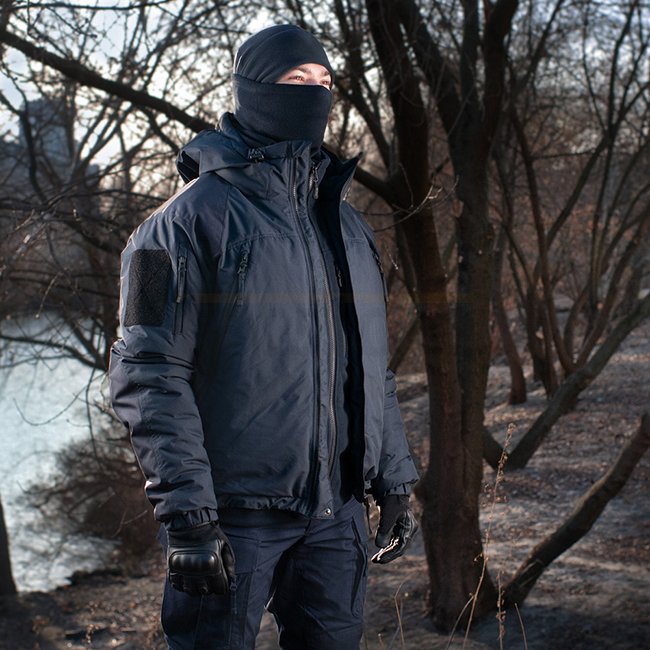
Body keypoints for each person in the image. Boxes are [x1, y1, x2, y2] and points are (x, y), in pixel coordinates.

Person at [108, 23, 419, 650]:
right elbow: (147, 374)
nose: (315, 93)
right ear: (253, 89)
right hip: (232, 518)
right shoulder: (177, 227)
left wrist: (393, 478)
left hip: (335, 514)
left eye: (324, 81)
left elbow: (371, 368)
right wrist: (189, 517)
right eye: (296, 79)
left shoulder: (349, 228)